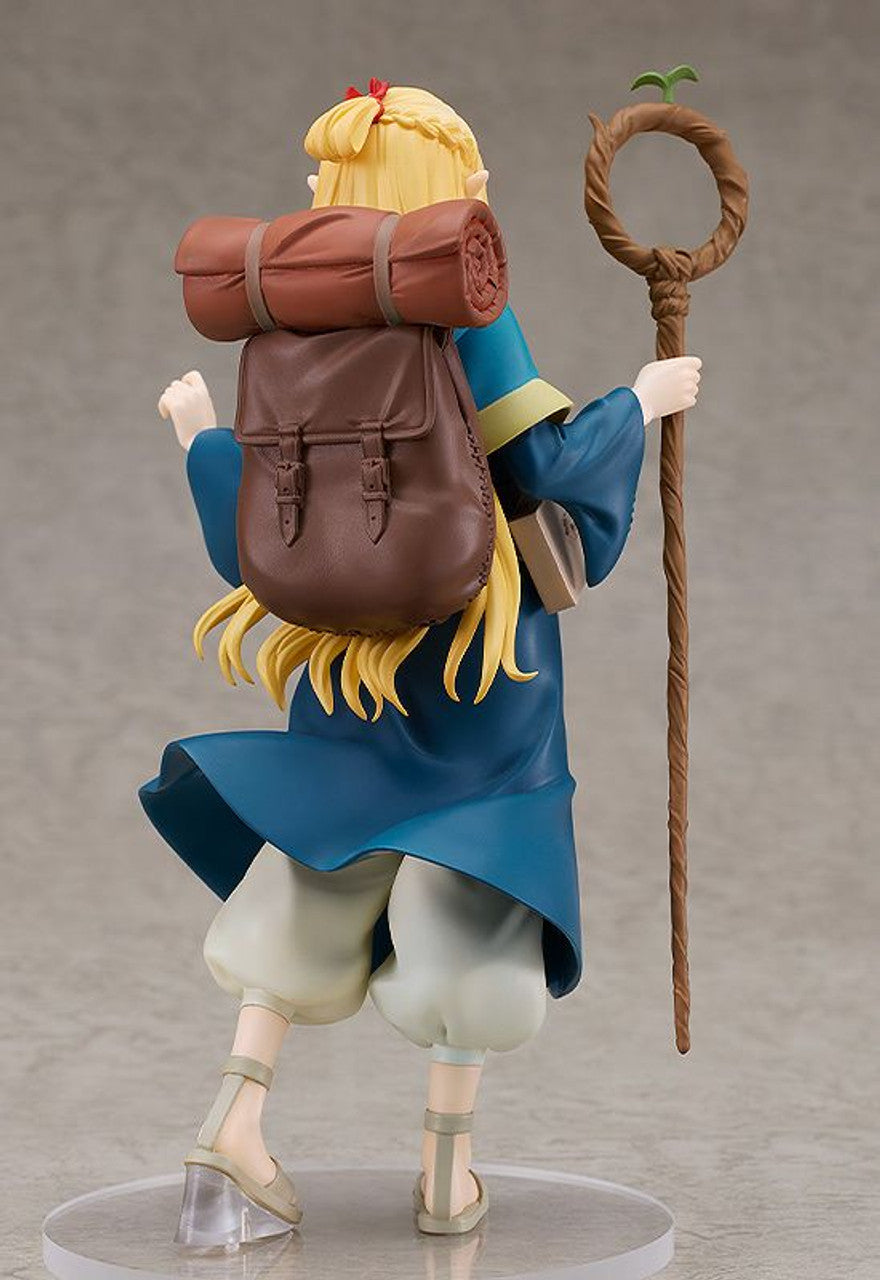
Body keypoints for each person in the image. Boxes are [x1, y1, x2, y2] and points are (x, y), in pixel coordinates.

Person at [142, 82, 701, 1244]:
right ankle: (447, 1177)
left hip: (346, 667)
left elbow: (261, 531)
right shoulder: (465, 315)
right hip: (479, 667)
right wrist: (637, 406)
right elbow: (544, 477)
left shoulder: (289, 319)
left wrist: (201, 439)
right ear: (453, 189)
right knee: (472, 880)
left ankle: (231, 1126)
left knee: (320, 858)